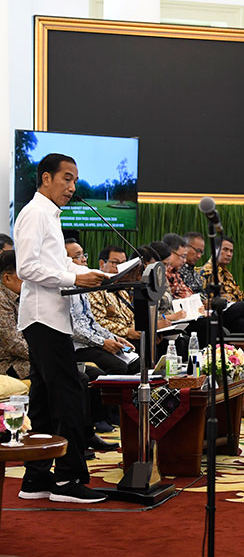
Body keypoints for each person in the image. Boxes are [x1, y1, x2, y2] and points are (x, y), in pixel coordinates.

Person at [14, 153, 107, 503]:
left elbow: (53, 262)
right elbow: (27, 268)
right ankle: (67, 480)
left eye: (74, 180)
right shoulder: (36, 213)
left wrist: (102, 276)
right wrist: (74, 276)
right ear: (45, 178)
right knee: (68, 395)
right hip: (44, 317)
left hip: (50, 317)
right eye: (66, 179)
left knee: (42, 400)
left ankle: (35, 479)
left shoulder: (50, 215)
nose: (72, 187)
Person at [66, 239, 139, 375]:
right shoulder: (65, 289)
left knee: (136, 362)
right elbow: (74, 329)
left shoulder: (82, 287)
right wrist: (103, 342)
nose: (83, 260)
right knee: (118, 367)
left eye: (83, 255)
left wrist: (113, 338)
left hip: (93, 342)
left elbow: (91, 322)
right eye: (77, 256)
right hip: (77, 347)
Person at [0, 250, 30, 379]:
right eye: (25, 275)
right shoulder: (1, 300)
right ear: (7, 278)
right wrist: (46, 353)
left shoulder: (21, 296)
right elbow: (13, 343)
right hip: (10, 364)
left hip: (26, 359)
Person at [162, 233, 193, 299]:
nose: (184, 261)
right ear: (170, 253)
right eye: (183, 256)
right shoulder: (162, 272)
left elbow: (187, 293)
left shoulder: (175, 272)